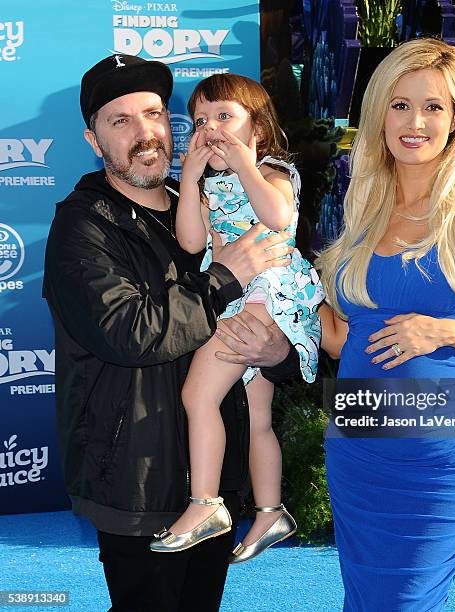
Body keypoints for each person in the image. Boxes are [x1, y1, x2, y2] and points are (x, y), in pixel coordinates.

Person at [43, 54, 300, 612]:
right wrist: (225, 278)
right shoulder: (82, 224)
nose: (144, 133)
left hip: (218, 483)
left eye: (154, 114)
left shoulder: (213, 205)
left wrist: (277, 351)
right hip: (136, 481)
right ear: (94, 140)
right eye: (121, 121)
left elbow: (279, 319)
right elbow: (130, 332)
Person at [316, 38, 455, 611]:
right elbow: (344, 336)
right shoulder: (360, 206)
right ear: (378, 114)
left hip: (442, 451)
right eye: (399, 104)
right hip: (359, 446)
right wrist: (291, 300)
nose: (414, 122)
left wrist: (448, 331)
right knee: (366, 601)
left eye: (433, 107)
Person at [149, 74, 324, 560]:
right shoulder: (208, 188)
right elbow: (189, 242)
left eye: (225, 117)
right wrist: (188, 179)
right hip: (234, 302)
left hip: (264, 303)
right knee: (257, 420)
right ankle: (271, 512)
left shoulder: (272, 174)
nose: (212, 129)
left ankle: (206, 504)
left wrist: (246, 163)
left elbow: (277, 218)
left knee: (196, 395)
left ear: (259, 131)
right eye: (202, 120)